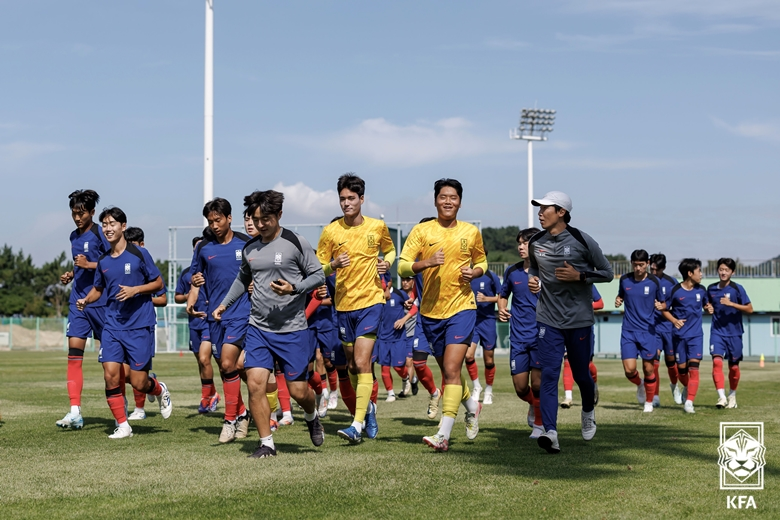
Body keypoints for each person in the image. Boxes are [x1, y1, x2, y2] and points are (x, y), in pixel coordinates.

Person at [215, 190, 325, 458]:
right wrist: (224, 304)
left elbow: (319, 275)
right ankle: (267, 443)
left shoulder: (296, 242)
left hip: (293, 329)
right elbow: (242, 279)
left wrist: (294, 288)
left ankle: (312, 416)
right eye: (256, 218)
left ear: (279, 216)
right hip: (259, 328)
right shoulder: (250, 248)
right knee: (255, 383)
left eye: (266, 218)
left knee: (300, 391)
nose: (260, 224)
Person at [398, 178, 486, 452]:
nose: (448, 201)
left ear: (460, 201)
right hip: (429, 313)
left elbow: (481, 260)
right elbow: (402, 268)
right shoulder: (422, 231)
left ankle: (443, 435)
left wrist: (476, 272)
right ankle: (472, 406)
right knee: (450, 373)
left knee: (450, 371)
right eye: (443, 197)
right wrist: (427, 262)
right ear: (435, 200)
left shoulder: (471, 232)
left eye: (454, 197)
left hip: (462, 308)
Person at [527, 191, 613, 454]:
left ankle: (588, 410)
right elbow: (533, 270)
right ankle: (551, 432)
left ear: (561, 212)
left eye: (545, 209)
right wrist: (534, 281)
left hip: (579, 320)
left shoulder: (582, 240)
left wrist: (580, 276)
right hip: (548, 320)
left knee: (580, 375)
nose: (540, 213)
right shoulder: (535, 242)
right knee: (549, 376)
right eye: (539, 209)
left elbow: (608, 273)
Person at [76, 207, 172, 439]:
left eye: (112, 224)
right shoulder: (103, 260)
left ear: (123, 226)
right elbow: (99, 289)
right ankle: (123, 425)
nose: (108, 228)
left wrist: (136, 290)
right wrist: (86, 300)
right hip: (112, 326)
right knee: (111, 374)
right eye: (105, 225)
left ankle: (159, 389)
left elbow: (158, 283)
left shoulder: (139, 254)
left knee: (139, 382)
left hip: (139, 325)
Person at [316, 174, 395, 444]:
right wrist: (333, 266)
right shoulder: (331, 232)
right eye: (342, 199)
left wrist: (387, 263)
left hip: (372, 302)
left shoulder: (378, 226)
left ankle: (357, 424)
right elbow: (318, 269)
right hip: (344, 306)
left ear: (362, 199)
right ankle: (369, 409)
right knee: (351, 365)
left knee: (362, 362)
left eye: (351, 198)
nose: (346, 203)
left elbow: (391, 250)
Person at [188, 198, 252, 443]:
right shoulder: (203, 247)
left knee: (228, 364)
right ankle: (243, 413)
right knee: (228, 368)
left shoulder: (246, 244)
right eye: (210, 221)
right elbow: (197, 276)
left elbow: (262, 270)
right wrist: (195, 288)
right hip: (215, 316)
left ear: (229, 218)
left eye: (218, 220)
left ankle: (229, 421)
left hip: (241, 313)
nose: (214, 225)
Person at [57, 190, 109, 430]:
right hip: (78, 302)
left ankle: (135, 395)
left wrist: (89, 265)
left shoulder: (101, 233)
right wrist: (73, 273)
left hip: (101, 302)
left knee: (110, 362)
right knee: (74, 355)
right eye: (74, 213)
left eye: (82, 213)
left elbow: (113, 262)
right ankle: (75, 411)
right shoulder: (73, 236)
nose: (77, 218)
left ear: (92, 213)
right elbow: (80, 265)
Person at [498, 227, 544, 439]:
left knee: (537, 384)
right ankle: (534, 406)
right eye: (519, 243)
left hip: (541, 336)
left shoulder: (547, 271)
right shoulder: (512, 271)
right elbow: (503, 294)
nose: (520, 247)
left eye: (525, 243)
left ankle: (539, 424)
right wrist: (501, 308)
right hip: (517, 337)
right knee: (519, 387)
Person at [614, 250, 665, 413]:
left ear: (648, 264)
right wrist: (618, 299)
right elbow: (620, 296)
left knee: (649, 369)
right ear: (631, 264)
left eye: (641, 265)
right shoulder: (624, 280)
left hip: (648, 332)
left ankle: (649, 402)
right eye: (635, 265)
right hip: (628, 331)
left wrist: (661, 306)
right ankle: (640, 384)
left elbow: (663, 304)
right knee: (629, 370)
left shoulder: (654, 282)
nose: (638, 268)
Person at [176, 235, 220, 414]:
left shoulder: (214, 269)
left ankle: (206, 397)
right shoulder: (188, 273)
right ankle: (213, 393)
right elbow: (177, 296)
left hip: (209, 322)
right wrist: (189, 297)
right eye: (197, 247)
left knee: (205, 358)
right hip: (194, 322)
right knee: (201, 362)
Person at [661, 258, 710, 414]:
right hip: (678, 337)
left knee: (694, 368)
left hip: (696, 336)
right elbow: (664, 309)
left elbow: (706, 304)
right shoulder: (675, 291)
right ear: (690, 273)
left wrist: (709, 308)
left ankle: (689, 402)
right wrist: (674, 321)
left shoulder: (702, 290)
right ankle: (687, 387)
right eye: (699, 271)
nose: (701, 274)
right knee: (682, 370)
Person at [707, 258, 752, 409]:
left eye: (727, 270)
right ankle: (721, 397)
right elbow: (707, 306)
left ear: (732, 272)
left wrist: (731, 304)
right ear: (717, 270)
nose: (723, 272)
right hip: (717, 332)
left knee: (733, 368)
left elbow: (750, 309)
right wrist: (708, 309)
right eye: (721, 269)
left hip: (735, 333)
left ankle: (732, 395)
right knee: (717, 362)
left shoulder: (738, 289)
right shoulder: (711, 289)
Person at [560, 286, 603, 408]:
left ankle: (593, 383)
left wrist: (581, 309)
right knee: (567, 360)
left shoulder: (586, 284)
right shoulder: (558, 282)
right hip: (565, 327)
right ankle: (568, 397)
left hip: (584, 328)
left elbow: (600, 303)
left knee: (586, 364)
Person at [466, 262, 501, 404]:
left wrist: (487, 299)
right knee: (468, 356)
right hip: (472, 320)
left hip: (488, 321)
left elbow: (501, 297)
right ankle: (476, 387)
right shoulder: (467, 276)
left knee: (489, 360)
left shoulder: (491, 277)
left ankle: (488, 390)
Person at [377, 275, 414, 402]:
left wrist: (403, 319)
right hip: (382, 338)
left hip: (398, 337)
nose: (383, 284)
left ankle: (405, 378)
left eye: (385, 282)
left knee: (398, 367)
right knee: (384, 368)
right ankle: (390, 393)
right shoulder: (376, 295)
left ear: (390, 282)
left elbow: (414, 308)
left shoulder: (400, 294)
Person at [650, 253, 679, 405]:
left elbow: (678, 303)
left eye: (657, 270)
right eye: (652, 269)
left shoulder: (672, 282)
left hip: (668, 327)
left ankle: (675, 386)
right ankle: (655, 396)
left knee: (671, 363)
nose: (654, 273)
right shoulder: (645, 280)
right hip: (652, 327)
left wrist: (665, 307)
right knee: (653, 361)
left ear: (664, 268)